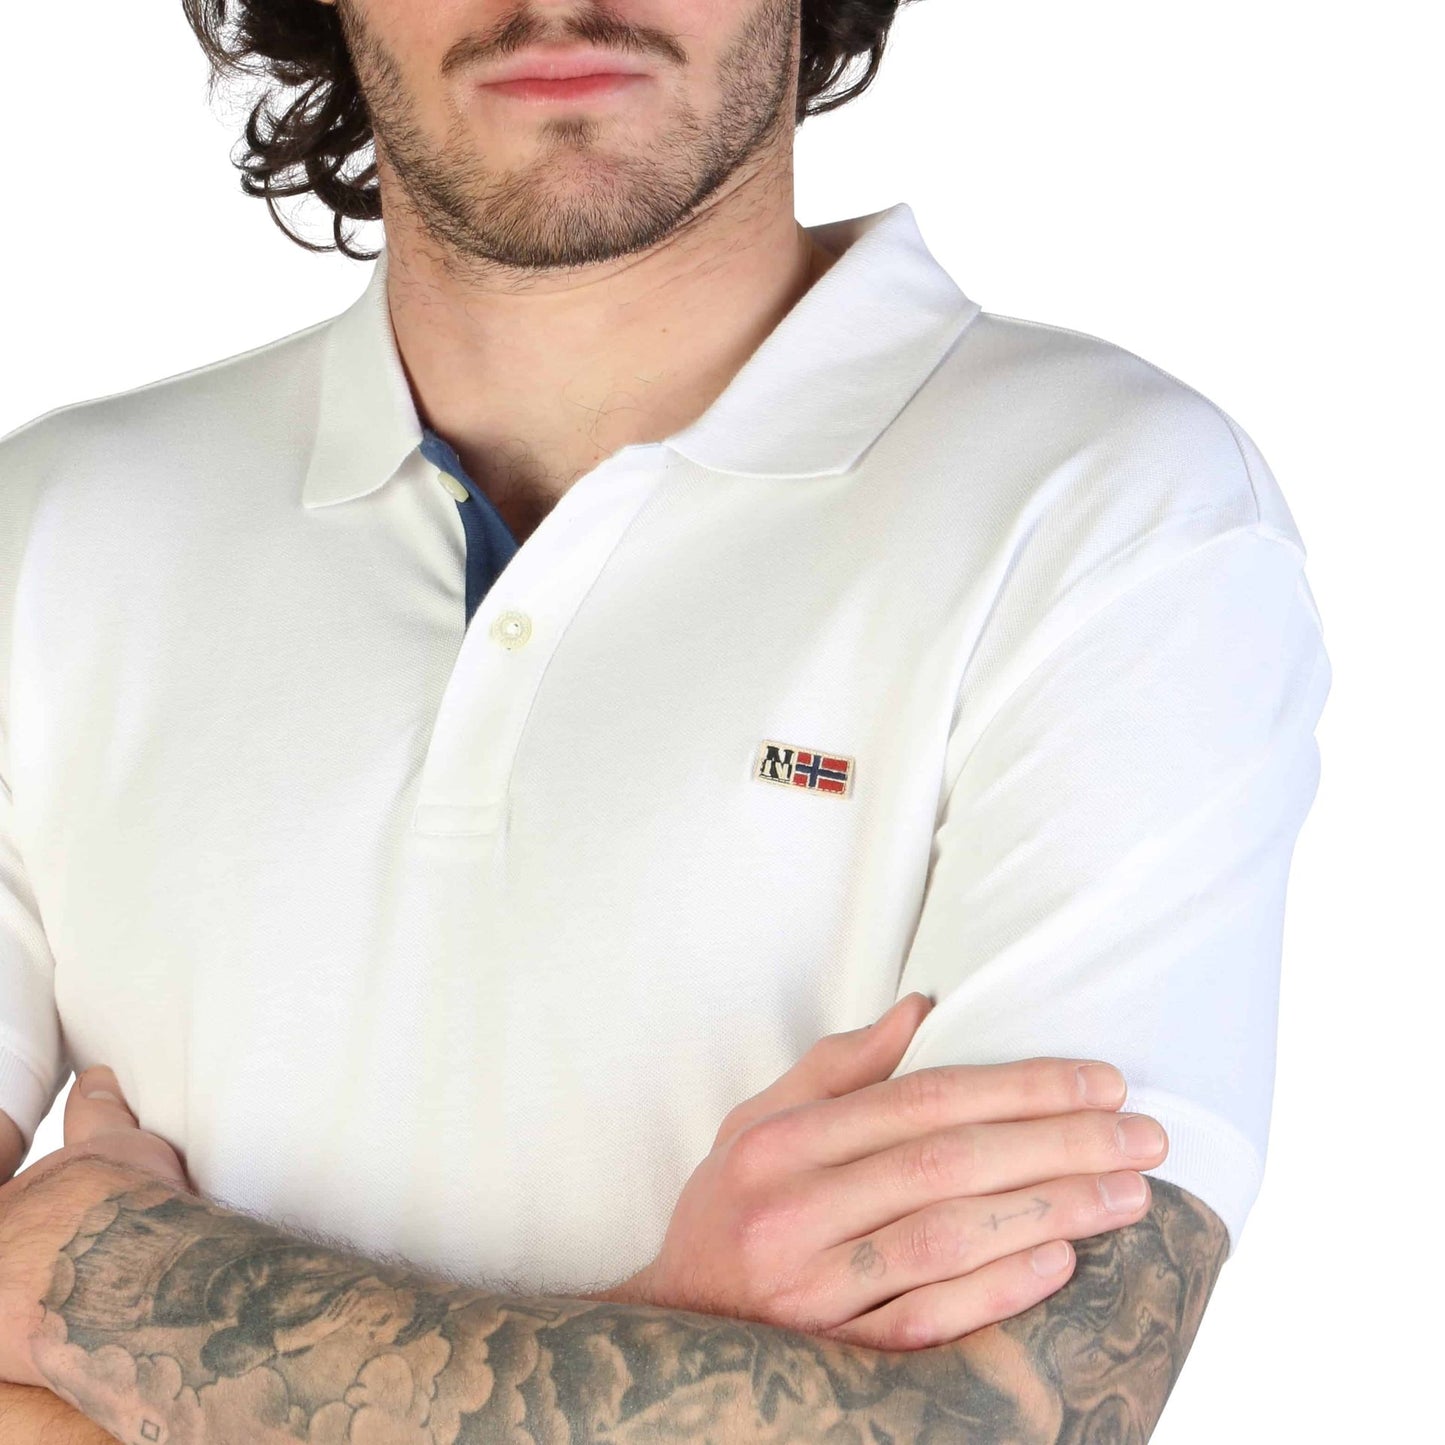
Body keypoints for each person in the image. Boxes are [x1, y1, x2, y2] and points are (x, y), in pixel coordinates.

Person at [0, 1, 1330, 1440]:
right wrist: (665, 1361)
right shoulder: (55, 529)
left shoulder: (1113, 517)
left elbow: (987, 1423)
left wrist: (122, 1286)